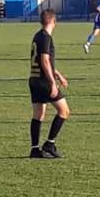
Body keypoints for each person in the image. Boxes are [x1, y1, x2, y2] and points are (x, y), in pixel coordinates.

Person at [28, 9, 71, 159]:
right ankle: (49, 144)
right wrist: (53, 83)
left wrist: (58, 75)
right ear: (54, 21)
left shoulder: (37, 35)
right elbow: (45, 61)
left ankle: (34, 149)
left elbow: (44, 62)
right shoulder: (46, 37)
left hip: (34, 79)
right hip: (43, 81)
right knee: (64, 111)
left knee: (38, 115)